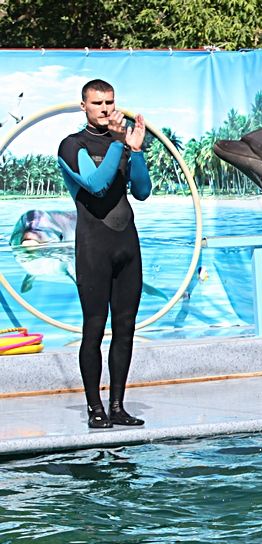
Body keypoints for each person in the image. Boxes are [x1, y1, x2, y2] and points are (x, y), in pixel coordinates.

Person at [57, 79, 151, 428]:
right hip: (94, 248)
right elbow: (95, 185)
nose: (105, 108)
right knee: (94, 329)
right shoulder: (71, 145)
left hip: (127, 245)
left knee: (125, 328)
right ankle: (95, 408)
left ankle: (117, 405)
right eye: (97, 103)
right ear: (84, 106)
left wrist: (136, 151)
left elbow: (141, 191)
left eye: (110, 102)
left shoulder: (122, 145)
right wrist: (117, 142)